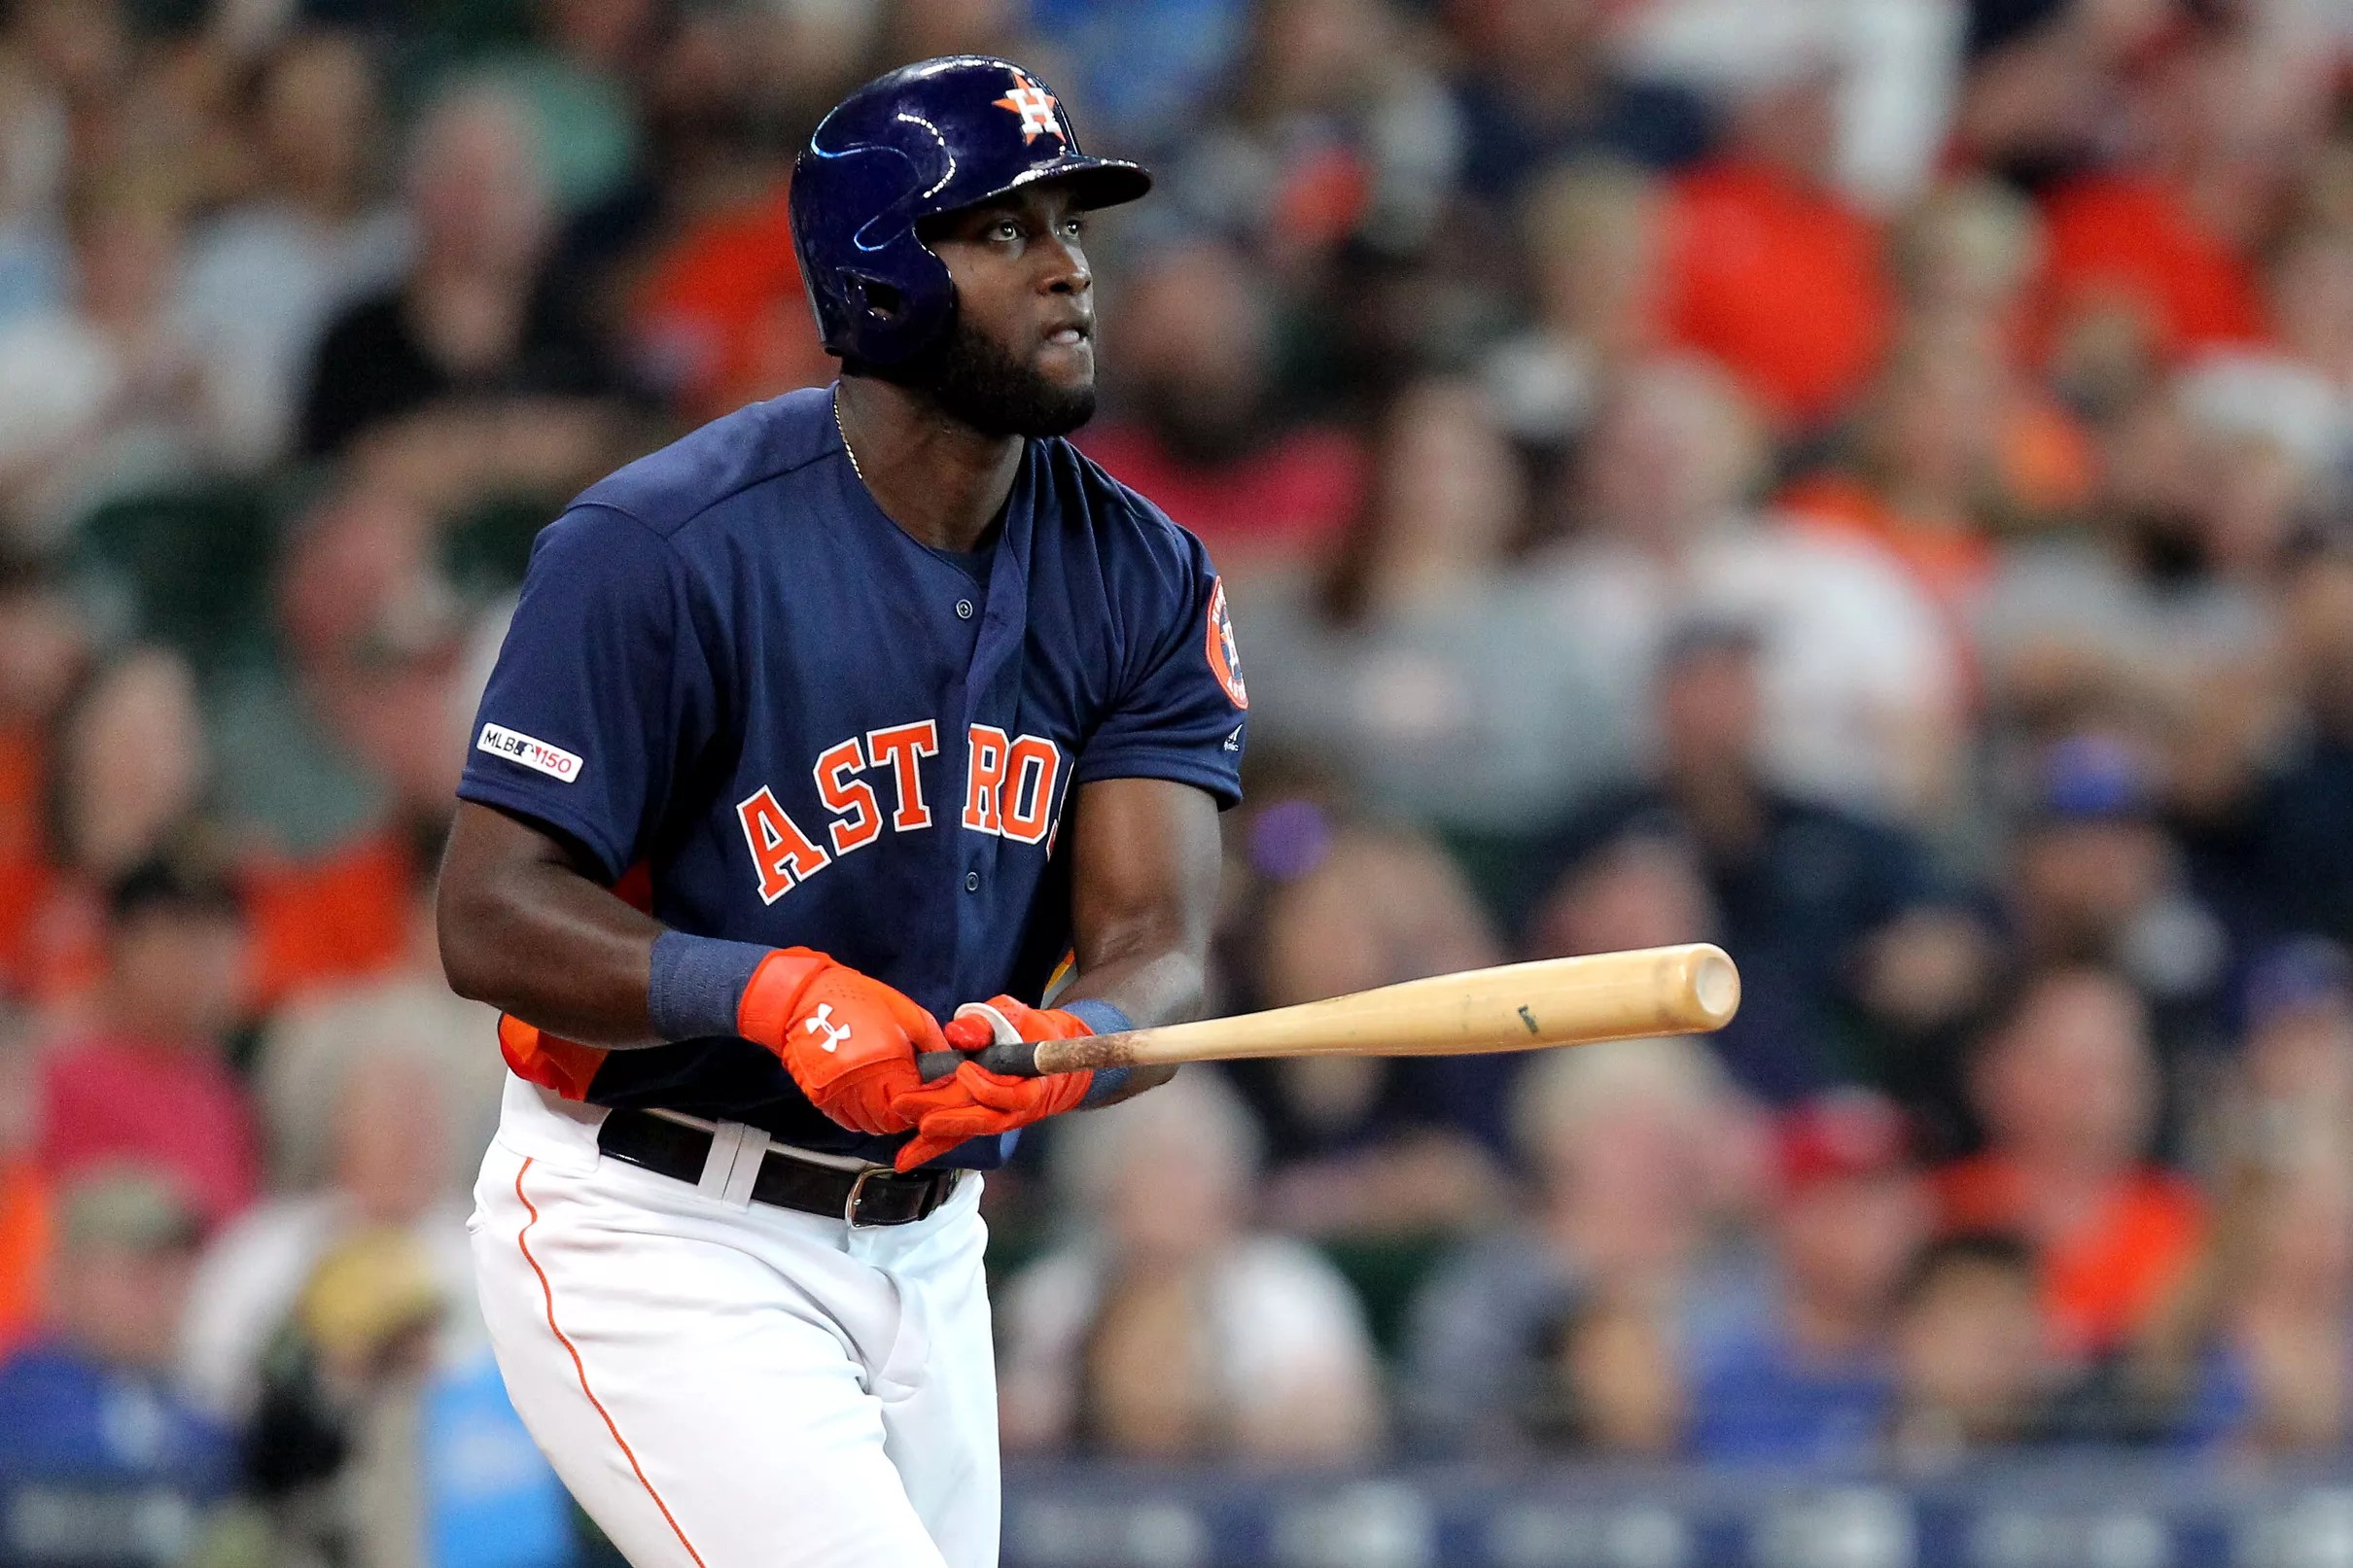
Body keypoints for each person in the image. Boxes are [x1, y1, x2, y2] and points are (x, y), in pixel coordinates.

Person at [435, 57, 1247, 1568]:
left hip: (932, 1247)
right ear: (878, 271)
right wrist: (769, 992)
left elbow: (1156, 941)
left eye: (1071, 223)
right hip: (658, 1219)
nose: (1069, 264)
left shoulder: (1142, 573)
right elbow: (486, 913)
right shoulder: (660, 545)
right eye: (1004, 229)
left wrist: (1071, 1048)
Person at [996, 1068, 1382, 1462]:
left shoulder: (1287, 1289)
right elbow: (1008, 1422)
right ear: (1103, 1183)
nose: (1173, 1191)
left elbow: (1347, 1420)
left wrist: (1225, 1419)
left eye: (1190, 1169)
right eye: (1152, 1166)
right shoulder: (1055, 1295)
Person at [0, 1168, 237, 1558]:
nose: (164, 1295)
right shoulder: (18, 1409)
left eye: (179, 1271)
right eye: (137, 1275)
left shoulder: (212, 1412)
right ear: (61, 1279)